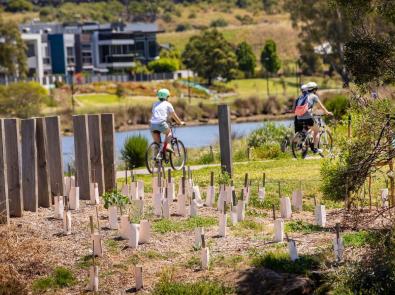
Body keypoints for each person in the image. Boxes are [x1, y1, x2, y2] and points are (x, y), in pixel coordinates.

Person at [293, 82, 333, 154]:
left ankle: (301, 143)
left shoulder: (302, 96)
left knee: (308, 129)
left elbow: (307, 108)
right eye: (316, 89)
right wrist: (327, 112)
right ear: (314, 89)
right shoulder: (314, 96)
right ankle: (315, 149)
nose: (316, 91)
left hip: (298, 117)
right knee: (317, 130)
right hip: (308, 117)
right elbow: (321, 106)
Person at [150, 88, 184, 158]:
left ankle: (157, 162)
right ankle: (167, 145)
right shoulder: (168, 104)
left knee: (158, 145)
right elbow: (174, 116)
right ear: (166, 97)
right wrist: (180, 122)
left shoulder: (154, 104)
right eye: (168, 96)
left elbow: (156, 114)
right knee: (169, 133)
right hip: (161, 123)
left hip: (152, 125)